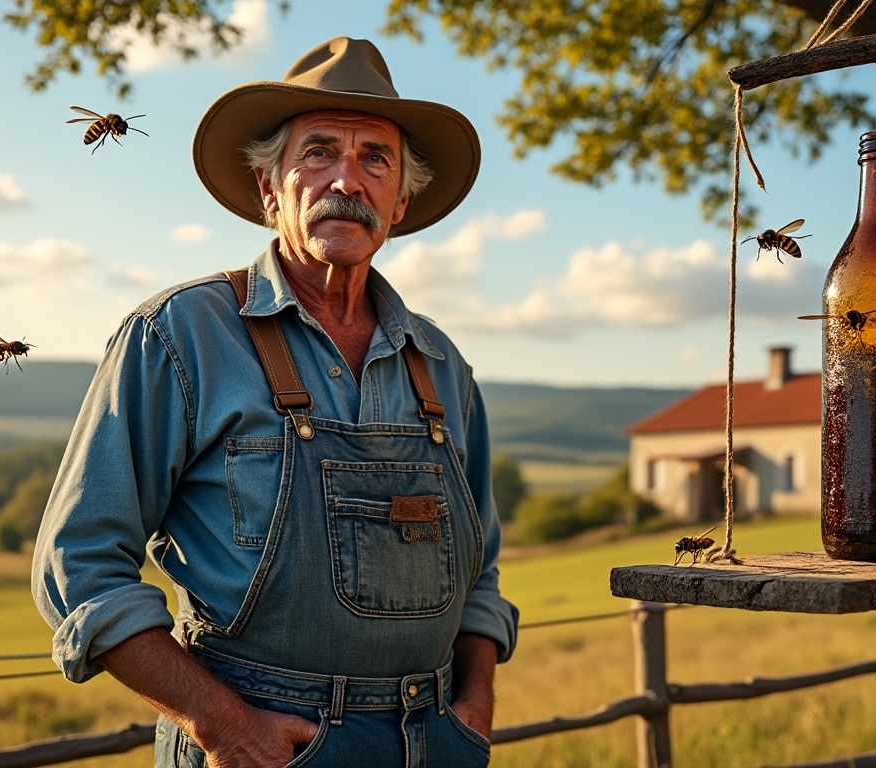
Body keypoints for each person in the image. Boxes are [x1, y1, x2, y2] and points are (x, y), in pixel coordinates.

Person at [32, 37, 519, 768]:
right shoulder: (179, 336)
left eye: (375, 159)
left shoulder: (442, 364)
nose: (346, 179)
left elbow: (482, 573)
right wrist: (221, 722)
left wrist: (473, 705)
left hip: (436, 739)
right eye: (319, 152)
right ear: (269, 187)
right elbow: (80, 565)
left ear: (401, 200)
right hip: (262, 744)